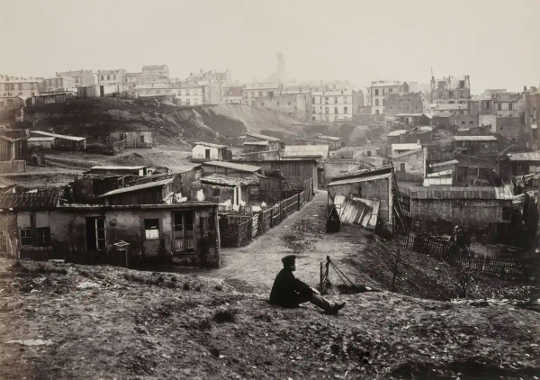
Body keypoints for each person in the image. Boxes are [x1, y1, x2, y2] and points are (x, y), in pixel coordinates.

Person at [269, 255, 345, 314]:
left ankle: (330, 306)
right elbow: (297, 285)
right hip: (282, 301)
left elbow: (296, 283)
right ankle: (330, 307)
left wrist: (309, 288)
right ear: (290, 265)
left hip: (281, 299)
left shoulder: (285, 273)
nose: (295, 266)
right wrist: (310, 289)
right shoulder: (286, 275)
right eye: (293, 264)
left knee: (308, 292)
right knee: (309, 294)